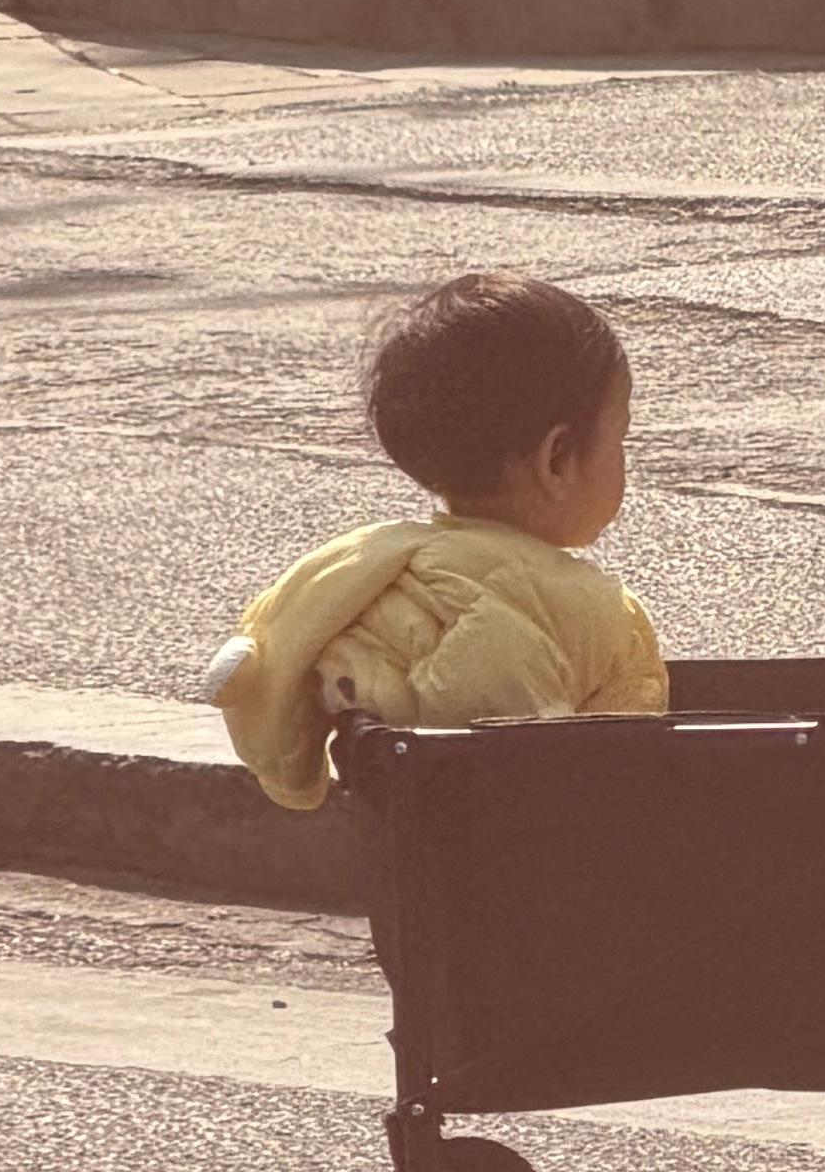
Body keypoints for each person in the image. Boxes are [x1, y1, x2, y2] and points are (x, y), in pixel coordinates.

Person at [212, 273, 666, 809]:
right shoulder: (590, 610)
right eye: (621, 438)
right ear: (558, 459)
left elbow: (283, 640)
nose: (625, 460)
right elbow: (593, 762)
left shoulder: (375, 567)